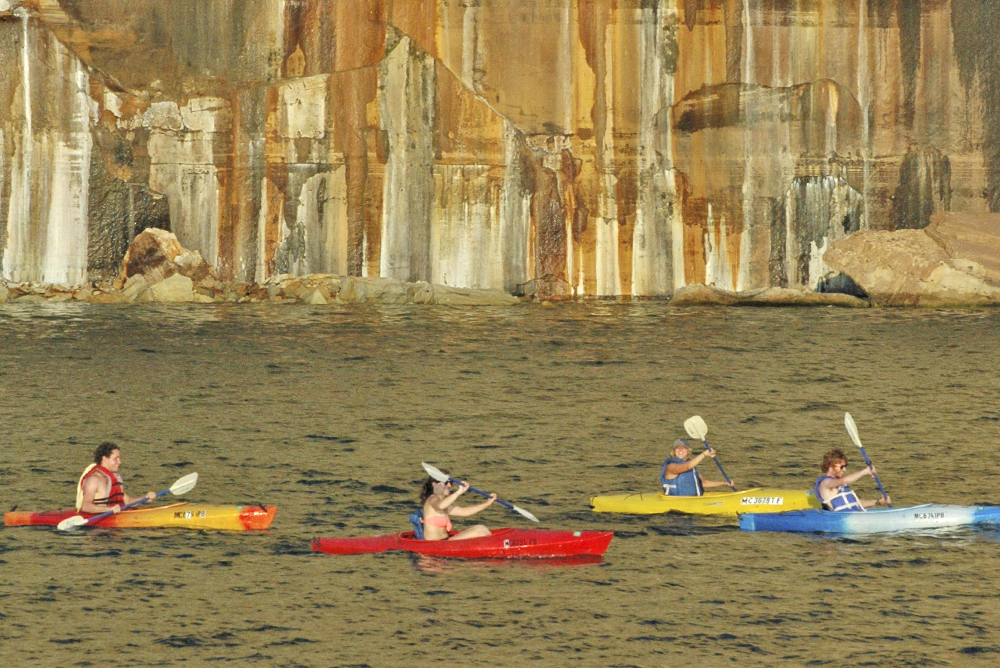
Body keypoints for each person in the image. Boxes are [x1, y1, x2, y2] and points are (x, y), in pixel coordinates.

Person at [76, 442, 155, 514]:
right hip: (98, 527)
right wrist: (108, 509)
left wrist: (145, 498)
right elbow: (85, 506)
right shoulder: (94, 479)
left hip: (116, 519)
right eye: (116, 459)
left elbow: (128, 501)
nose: (119, 462)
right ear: (105, 459)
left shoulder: (114, 477)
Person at [419, 475, 497, 541]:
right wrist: (459, 492)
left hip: (445, 541)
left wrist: (487, 503)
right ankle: (495, 545)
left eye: (451, 482)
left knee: (481, 527)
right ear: (434, 484)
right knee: (479, 532)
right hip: (435, 544)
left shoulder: (446, 504)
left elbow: (464, 511)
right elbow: (440, 506)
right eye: (446, 482)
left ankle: (494, 544)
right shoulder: (433, 499)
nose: (449, 485)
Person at [814, 448, 891, 511]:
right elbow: (844, 480)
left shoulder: (838, 483)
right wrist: (865, 471)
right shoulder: (825, 483)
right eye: (841, 467)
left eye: (845, 466)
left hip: (854, 515)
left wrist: (877, 502)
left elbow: (856, 503)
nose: (844, 470)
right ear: (830, 466)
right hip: (840, 517)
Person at [660, 438, 733, 496]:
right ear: (674, 451)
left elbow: (703, 483)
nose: (680, 450)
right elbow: (687, 466)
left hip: (692, 501)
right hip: (676, 502)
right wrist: (705, 454)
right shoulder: (671, 466)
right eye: (678, 448)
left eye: (683, 448)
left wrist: (725, 483)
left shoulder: (691, 466)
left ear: (688, 451)